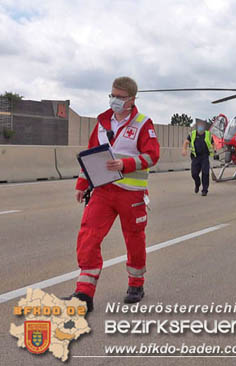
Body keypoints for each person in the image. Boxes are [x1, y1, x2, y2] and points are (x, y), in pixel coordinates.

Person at [67, 76, 160, 311]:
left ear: (131, 100)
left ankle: (136, 284)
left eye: (119, 97)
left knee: (134, 239)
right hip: (103, 191)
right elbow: (90, 155)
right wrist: (81, 184)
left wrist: (125, 164)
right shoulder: (102, 123)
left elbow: (152, 156)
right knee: (88, 236)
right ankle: (84, 293)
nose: (114, 100)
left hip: (131, 194)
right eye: (112, 95)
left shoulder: (142, 123)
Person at [183, 119, 214, 196]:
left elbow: (213, 143)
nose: (200, 127)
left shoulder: (208, 134)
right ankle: (197, 183)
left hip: (205, 157)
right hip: (195, 157)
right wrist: (184, 150)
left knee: (205, 173)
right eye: (199, 126)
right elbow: (186, 142)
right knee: (194, 174)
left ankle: (204, 190)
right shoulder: (192, 134)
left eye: (202, 126)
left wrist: (213, 149)